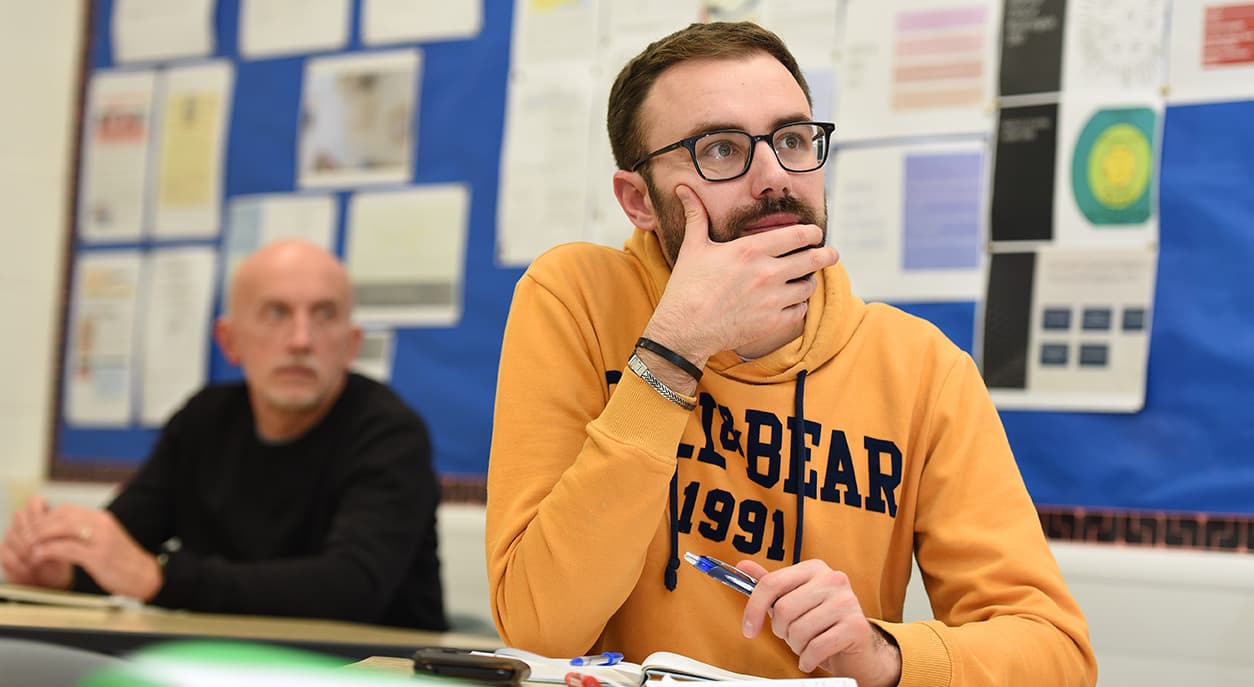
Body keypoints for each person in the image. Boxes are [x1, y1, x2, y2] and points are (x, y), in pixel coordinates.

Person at [485, 22, 1095, 687]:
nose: (775, 177)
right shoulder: (576, 298)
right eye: (720, 149)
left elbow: (1056, 654)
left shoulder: (920, 368)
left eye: (793, 139)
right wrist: (675, 349)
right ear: (639, 200)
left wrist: (883, 656)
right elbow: (539, 626)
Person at [1, 240, 447, 630]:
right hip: (224, 661)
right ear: (229, 340)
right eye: (276, 313)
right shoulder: (204, 419)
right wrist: (64, 568)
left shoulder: (390, 433)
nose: (300, 339)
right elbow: (126, 546)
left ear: (351, 345)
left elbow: (350, 586)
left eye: (324, 315)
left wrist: (161, 579)